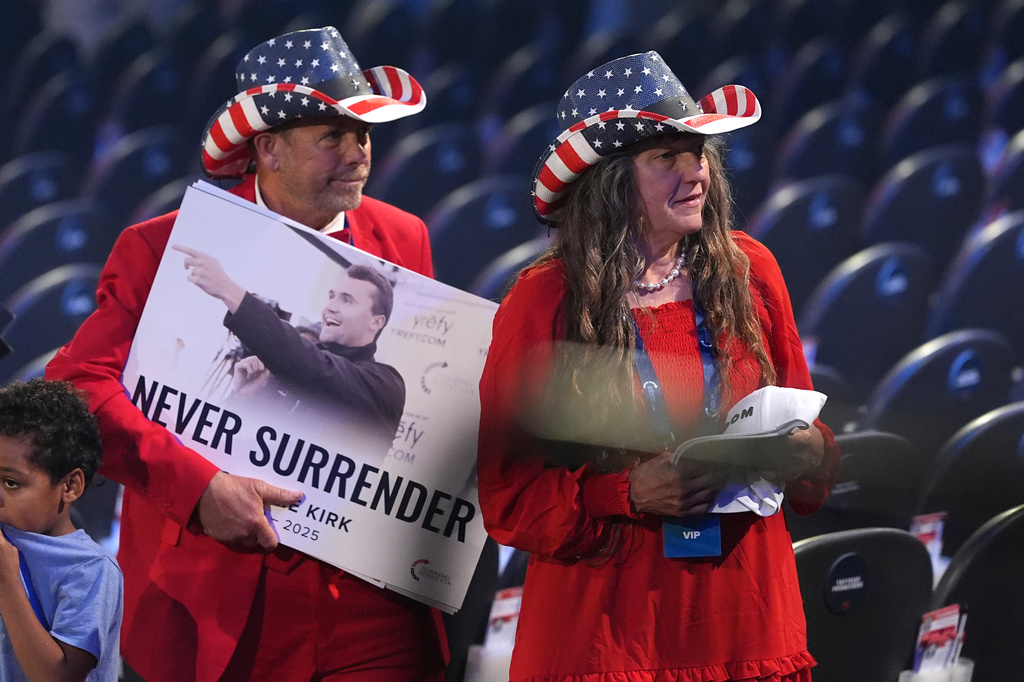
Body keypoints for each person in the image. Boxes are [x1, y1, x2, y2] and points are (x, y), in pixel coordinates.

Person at [45, 26, 446, 682]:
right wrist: (198, 487)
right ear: (269, 149)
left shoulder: (405, 236)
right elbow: (78, 387)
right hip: (219, 590)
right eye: (333, 137)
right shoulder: (162, 246)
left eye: (364, 134)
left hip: (367, 600)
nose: (357, 154)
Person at [477, 52, 842, 681]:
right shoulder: (544, 299)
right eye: (665, 158)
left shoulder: (750, 270)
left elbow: (811, 433)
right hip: (609, 636)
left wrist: (806, 452)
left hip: (747, 619)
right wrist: (626, 492)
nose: (696, 173)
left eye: (698, 153)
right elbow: (508, 494)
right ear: (608, 181)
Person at [174, 248, 405, 455]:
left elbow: (317, 370)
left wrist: (229, 291)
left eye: (347, 300)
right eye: (331, 296)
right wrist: (242, 398)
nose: (331, 307)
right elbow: (224, 441)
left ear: (376, 322)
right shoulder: (285, 371)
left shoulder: (385, 385)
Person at [0, 378, 123, 682]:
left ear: (69, 486)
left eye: (11, 483)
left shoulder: (90, 569)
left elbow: (58, 677)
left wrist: (7, 584)